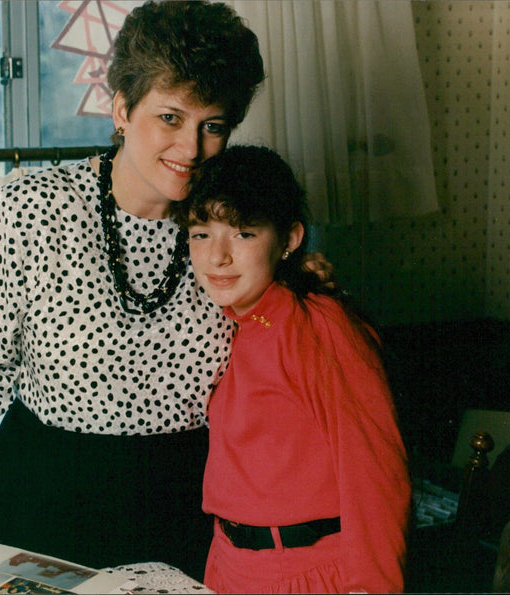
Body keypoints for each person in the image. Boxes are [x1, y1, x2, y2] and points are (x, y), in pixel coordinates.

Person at [0, 0, 333, 585]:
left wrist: (309, 289)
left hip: (186, 512)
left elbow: (290, 385)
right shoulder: (33, 207)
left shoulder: (236, 238)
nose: (191, 148)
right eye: (171, 118)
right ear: (122, 109)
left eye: (214, 126)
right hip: (44, 505)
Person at [172, 145, 411, 593]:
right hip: (227, 563)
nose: (217, 256)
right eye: (201, 233)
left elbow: (378, 477)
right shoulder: (221, 319)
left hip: (305, 573)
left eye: (243, 234)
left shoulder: (320, 325)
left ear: (290, 239)